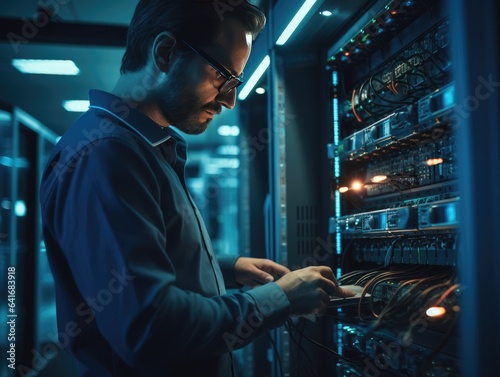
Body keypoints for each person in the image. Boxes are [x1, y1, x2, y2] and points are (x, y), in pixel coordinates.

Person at [39, 1, 354, 376]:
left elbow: (129, 273)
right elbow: (147, 328)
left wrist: (220, 269)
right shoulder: (106, 155)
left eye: (235, 82)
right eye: (223, 75)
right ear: (166, 52)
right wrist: (278, 299)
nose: (230, 99)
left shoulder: (140, 148)